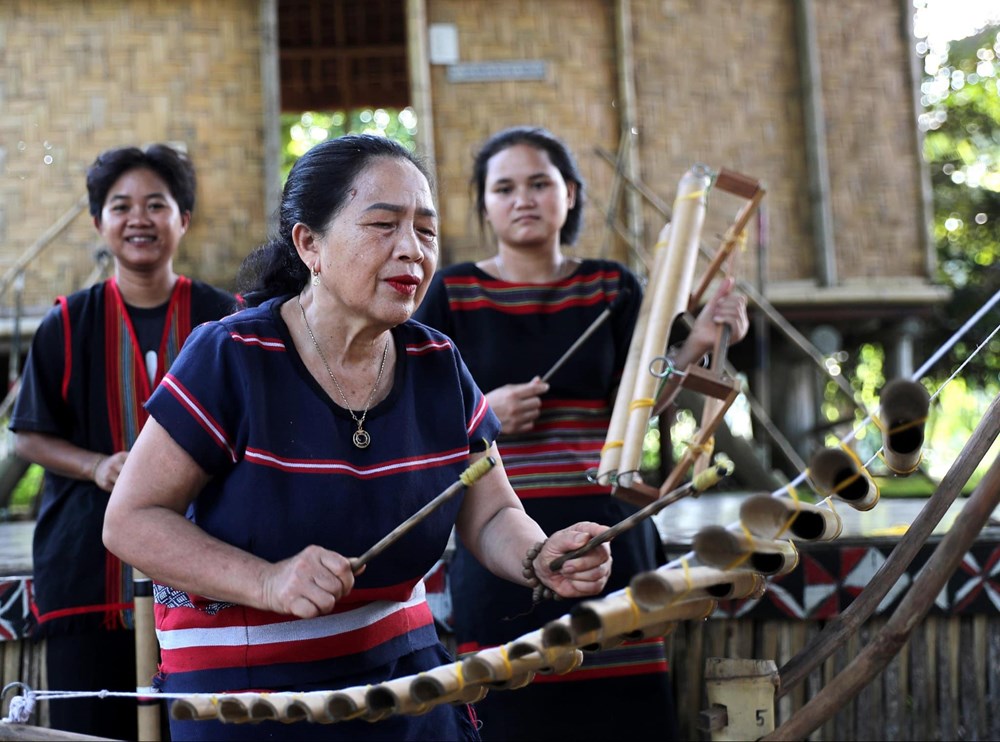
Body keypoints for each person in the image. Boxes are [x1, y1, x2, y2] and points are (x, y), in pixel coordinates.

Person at [101, 133, 613, 742]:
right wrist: (266, 582)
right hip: (249, 702)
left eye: (425, 230)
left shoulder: (435, 361)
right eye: (383, 225)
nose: (413, 251)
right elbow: (130, 520)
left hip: (404, 688)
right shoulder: (233, 355)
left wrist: (537, 555)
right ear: (309, 243)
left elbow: (493, 509)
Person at [413, 125, 749, 741]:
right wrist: (484, 409)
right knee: (512, 706)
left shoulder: (611, 286)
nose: (524, 199)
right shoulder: (450, 294)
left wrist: (698, 343)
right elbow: (417, 414)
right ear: (484, 204)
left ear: (569, 194)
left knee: (623, 711)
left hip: (610, 528)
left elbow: (647, 406)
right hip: (502, 539)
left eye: (540, 183)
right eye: (504, 187)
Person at [8, 143, 239, 739]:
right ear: (99, 222)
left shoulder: (224, 320)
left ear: (183, 219)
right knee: (93, 726)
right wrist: (97, 466)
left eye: (156, 204)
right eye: (121, 205)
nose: (139, 218)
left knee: (205, 725)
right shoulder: (69, 320)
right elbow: (30, 436)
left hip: (209, 571)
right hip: (87, 569)